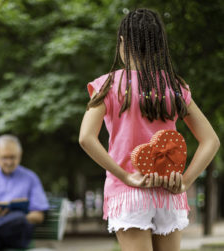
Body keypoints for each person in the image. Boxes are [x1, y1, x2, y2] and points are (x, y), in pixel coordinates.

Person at [79, 8, 220, 251]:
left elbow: (86, 138)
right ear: (157, 46)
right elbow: (211, 141)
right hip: (169, 191)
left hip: (129, 191)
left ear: (122, 42)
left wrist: (124, 175)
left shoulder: (109, 85)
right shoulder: (175, 87)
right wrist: (185, 181)